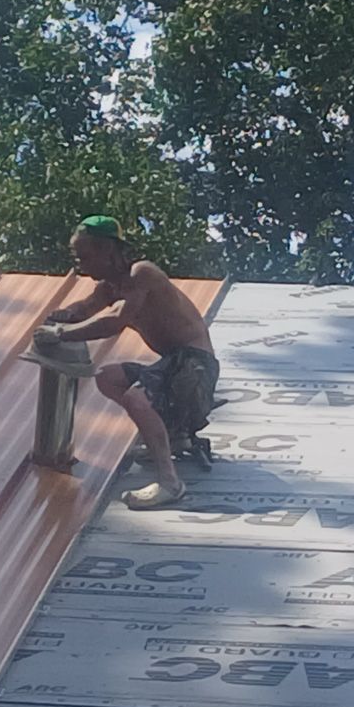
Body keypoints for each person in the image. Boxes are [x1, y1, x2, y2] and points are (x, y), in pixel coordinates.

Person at [34, 216, 218, 509]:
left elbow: (114, 321)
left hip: (195, 366)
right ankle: (173, 435)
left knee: (137, 398)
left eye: (85, 256)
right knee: (107, 376)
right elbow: (86, 308)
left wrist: (60, 334)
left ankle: (170, 482)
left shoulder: (140, 274)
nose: (81, 264)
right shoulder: (110, 287)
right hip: (175, 363)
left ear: (108, 252)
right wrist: (61, 316)